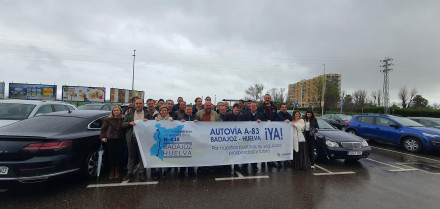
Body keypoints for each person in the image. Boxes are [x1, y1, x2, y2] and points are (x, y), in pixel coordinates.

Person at [122, 98, 152, 181]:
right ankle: (129, 172)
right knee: (131, 155)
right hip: (132, 137)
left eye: (140, 103)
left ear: (143, 104)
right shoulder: (130, 113)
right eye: (137, 103)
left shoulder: (147, 113)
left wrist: (148, 122)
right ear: (134, 104)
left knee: (142, 156)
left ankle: (142, 172)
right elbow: (123, 124)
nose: (138, 105)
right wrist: (129, 123)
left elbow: (153, 124)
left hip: (143, 139)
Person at [100, 106, 124, 179]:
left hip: (120, 139)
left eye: (117, 110)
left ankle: (117, 170)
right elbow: (103, 129)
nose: (116, 112)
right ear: (112, 112)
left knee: (118, 155)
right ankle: (111, 170)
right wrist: (103, 137)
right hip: (110, 139)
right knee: (110, 156)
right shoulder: (108, 120)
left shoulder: (123, 119)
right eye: (114, 110)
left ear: (120, 111)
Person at [177, 105, 200, 178]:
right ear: (185, 110)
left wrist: (197, 123)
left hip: (193, 140)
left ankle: (191, 171)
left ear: (192, 110)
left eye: (190, 109)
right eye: (187, 109)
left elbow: (201, 127)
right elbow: (176, 126)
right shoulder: (180, 117)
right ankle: (182, 171)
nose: (189, 111)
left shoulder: (196, 117)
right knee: (183, 156)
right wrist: (180, 122)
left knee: (192, 156)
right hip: (183, 140)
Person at [195, 101, 218, 173]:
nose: (208, 107)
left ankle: (210, 166)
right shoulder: (199, 113)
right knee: (201, 152)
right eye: (207, 106)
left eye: (209, 106)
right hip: (202, 136)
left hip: (211, 136)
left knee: (210, 152)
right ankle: (201, 167)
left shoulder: (215, 113)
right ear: (204, 106)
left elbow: (218, 123)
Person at [153, 105, 174, 180]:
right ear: (160, 111)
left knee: (165, 156)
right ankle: (157, 172)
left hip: (166, 140)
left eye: (165, 110)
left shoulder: (170, 119)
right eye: (162, 110)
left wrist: (173, 122)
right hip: (158, 140)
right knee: (158, 156)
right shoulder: (156, 118)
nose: (164, 112)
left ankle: (164, 171)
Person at [243, 101, 264, 172]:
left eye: (254, 106)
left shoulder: (260, 114)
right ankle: (245, 164)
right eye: (252, 106)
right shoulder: (246, 114)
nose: (253, 107)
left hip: (256, 136)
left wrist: (260, 121)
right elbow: (242, 123)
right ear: (250, 107)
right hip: (248, 136)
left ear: (256, 107)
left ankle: (254, 164)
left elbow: (265, 123)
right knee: (246, 149)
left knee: (254, 150)